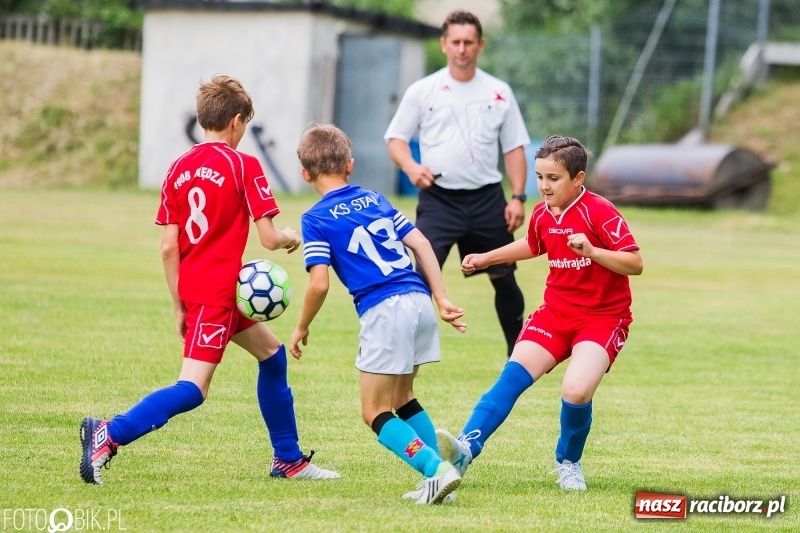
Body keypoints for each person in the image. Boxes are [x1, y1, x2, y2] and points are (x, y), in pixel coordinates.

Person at [79, 75, 339, 484]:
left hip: (210, 291)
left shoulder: (177, 168)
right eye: (245, 126)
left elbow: (168, 247)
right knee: (192, 388)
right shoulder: (243, 165)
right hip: (218, 294)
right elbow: (269, 238)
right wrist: (290, 237)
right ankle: (108, 433)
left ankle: (288, 459)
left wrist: (178, 303)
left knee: (272, 357)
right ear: (236, 121)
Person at [435, 135, 643, 491]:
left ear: (578, 179)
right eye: (540, 177)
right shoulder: (543, 212)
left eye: (554, 178)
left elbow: (634, 263)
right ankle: (466, 448)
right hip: (555, 314)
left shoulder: (600, 211)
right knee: (511, 377)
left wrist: (592, 251)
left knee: (576, 391)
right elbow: (534, 244)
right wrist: (486, 257)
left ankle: (568, 463)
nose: (544, 186)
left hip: (602, 319)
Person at [288, 124, 466, 504]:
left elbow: (319, 284)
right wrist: (442, 296)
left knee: (374, 411)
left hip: (385, 309)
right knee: (403, 396)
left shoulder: (315, 219)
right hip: (418, 300)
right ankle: (441, 476)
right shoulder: (374, 199)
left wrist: (301, 326)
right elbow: (419, 242)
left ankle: (436, 470)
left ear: (305, 174)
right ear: (349, 165)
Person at [384, 9, 530, 357]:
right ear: (444, 45)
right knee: (419, 277)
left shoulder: (499, 91)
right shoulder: (423, 90)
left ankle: (520, 357)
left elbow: (513, 149)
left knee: (503, 277)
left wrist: (519, 198)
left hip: (487, 200)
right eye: (456, 42)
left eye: (469, 42)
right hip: (439, 200)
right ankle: (407, 355)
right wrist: (411, 167)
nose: (462, 48)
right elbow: (396, 139)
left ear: (480, 45)